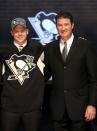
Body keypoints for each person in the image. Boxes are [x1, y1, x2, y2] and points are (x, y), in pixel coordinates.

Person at [44, 12, 97, 131]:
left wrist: (92, 105)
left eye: (66, 24)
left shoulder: (86, 46)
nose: (63, 28)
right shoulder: (49, 48)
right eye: (60, 25)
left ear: (72, 25)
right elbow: (44, 76)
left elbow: (94, 80)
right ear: (56, 26)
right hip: (58, 109)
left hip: (80, 108)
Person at [0, 17, 45, 131]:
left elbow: (58, 50)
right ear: (12, 33)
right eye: (16, 31)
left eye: (22, 31)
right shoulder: (3, 52)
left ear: (27, 31)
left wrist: (78, 43)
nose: (19, 34)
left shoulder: (38, 49)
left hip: (32, 109)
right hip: (9, 109)